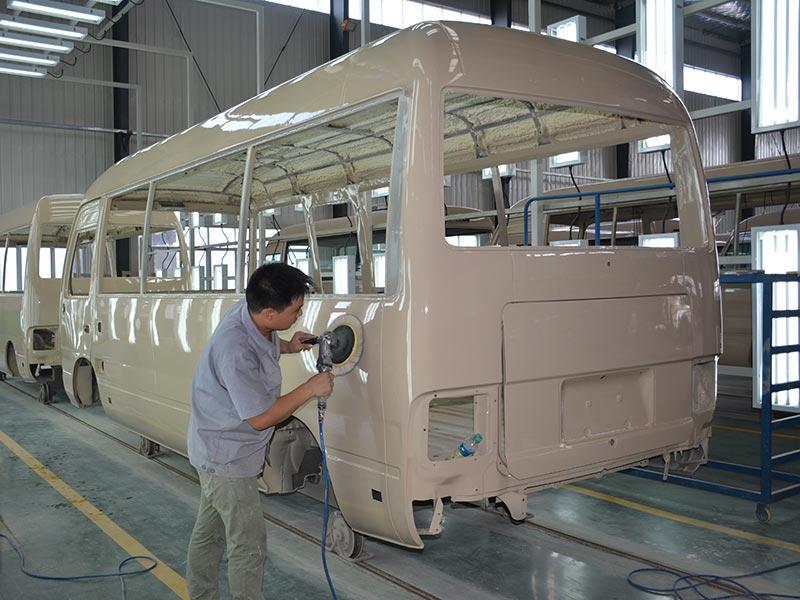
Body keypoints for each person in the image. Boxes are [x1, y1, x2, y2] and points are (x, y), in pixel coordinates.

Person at [186, 262, 334, 600]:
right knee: (248, 545)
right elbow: (260, 418)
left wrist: (288, 346)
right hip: (227, 459)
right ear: (269, 312)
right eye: (295, 310)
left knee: (210, 534)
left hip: (212, 448)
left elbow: (262, 343)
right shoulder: (234, 350)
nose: (299, 315)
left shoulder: (247, 313)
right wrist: (309, 389)